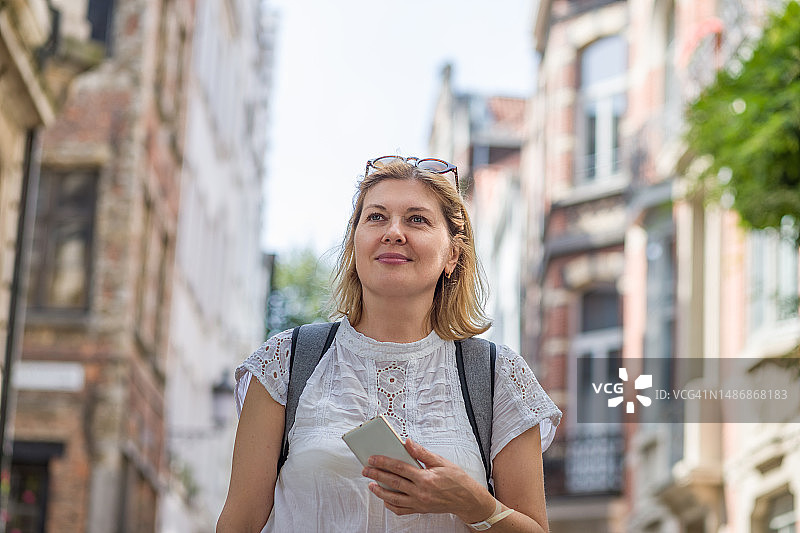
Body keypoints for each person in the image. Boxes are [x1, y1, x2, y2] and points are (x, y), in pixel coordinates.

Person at [217, 156, 562, 532]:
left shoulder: (497, 377)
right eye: (376, 217)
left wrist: (475, 504)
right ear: (355, 243)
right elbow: (239, 523)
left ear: (452, 255)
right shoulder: (285, 362)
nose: (393, 232)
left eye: (417, 219)